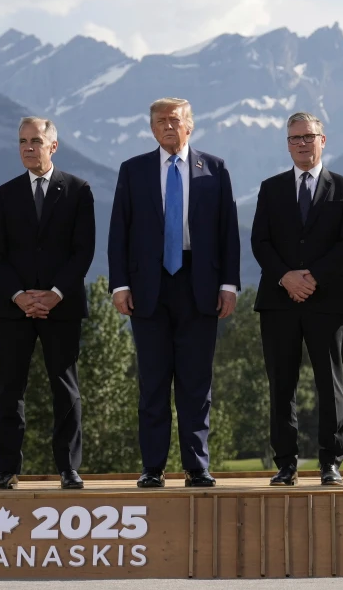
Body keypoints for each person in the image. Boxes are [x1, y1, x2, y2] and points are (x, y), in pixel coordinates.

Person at [108, 97, 240, 489]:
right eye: (160, 121)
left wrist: (228, 285)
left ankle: (196, 466)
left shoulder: (214, 169)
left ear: (190, 125)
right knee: (152, 382)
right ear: (151, 128)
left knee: (196, 383)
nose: (168, 126)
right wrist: (120, 285)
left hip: (199, 286)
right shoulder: (133, 171)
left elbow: (228, 233)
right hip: (148, 288)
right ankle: (153, 467)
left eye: (175, 120)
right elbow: (120, 232)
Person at [251, 113, 343, 487]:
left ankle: (331, 462)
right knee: (281, 385)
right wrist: (285, 277)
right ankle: (286, 464)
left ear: (323, 140)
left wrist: (311, 278)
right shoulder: (270, 188)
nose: (301, 143)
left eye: (308, 137)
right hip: (278, 300)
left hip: (326, 299)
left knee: (330, 384)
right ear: (287, 143)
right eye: (294, 138)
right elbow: (260, 242)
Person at [0, 117, 95, 491]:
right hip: (13, 307)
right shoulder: (4, 193)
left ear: (53, 146)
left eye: (35, 141)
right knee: (10, 388)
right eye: (22, 142)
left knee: (64, 387)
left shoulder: (79, 190)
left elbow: (83, 252)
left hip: (61, 306)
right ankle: (6, 470)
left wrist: (54, 294)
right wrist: (20, 296)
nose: (28, 148)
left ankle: (69, 468)